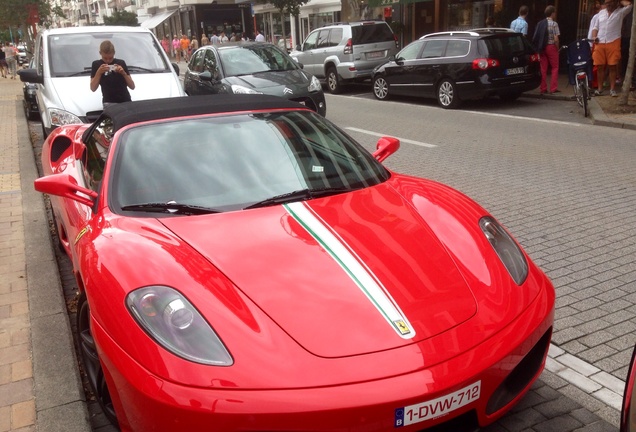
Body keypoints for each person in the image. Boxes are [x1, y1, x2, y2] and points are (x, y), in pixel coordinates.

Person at [591, 0, 633, 96]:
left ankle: (612, 89)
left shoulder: (620, 12)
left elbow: (630, 5)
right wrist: (594, 37)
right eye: (606, 2)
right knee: (599, 66)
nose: (608, 4)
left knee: (612, 66)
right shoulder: (601, 13)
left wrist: (620, 1)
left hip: (613, 41)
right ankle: (600, 88)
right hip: (600, 41)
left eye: (610, 2)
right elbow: (595, 27)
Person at [90, 40, 135, 107]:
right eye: (105, 58)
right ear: (100, 53)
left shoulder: (121, 63)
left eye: (110, 58)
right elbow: (93, 88)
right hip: (108, 102)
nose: (108, 61)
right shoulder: (96, 64)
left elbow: (132, 86)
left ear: (114, 53)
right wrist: (99, 72)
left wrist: (123, 73)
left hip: (125, 101)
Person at [533, 6, 560, 94]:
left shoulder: (540, 23)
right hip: (551, 46)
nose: (555, 14)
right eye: (555, 12)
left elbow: (536, 37)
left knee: (543, 68)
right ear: (552, 13)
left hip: (542, 47)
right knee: (555, 67)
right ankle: (553, 88)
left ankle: (543, 88)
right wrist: (557, 48)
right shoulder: (554, 24)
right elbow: (556, 38)